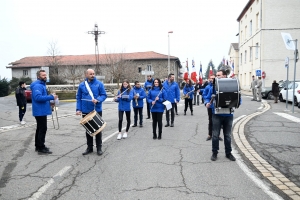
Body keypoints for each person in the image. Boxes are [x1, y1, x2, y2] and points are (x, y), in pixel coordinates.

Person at [205, 69, 241, 162]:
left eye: (219, 75)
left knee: (228, 135)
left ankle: (228, 153)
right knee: (215, 134)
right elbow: (207, 97)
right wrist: (206, 103)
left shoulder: (232, 85)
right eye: (216, 75)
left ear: (224, 76)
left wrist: (237, 103)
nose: (217, 77)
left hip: (228, 114)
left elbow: (238, 96)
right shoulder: (213, 86)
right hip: (216, 114)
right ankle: (214, 153)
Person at [76, 69, 107, 156]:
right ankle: (89, 148)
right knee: (88, 130)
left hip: (96, 110)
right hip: (85, 110)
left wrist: (98, 100)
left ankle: (99, 148)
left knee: (98, 130)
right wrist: (78, 109)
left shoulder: (99, 84)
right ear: (86, 74)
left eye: (93, 74)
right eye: (90, 74)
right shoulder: (81, 85)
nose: (92, 75)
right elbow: (78, 98)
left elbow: (104, 95)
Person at [30, 70, 58, 154]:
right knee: (42, 129)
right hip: (40, 111)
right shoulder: (38, 86)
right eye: (43, 75)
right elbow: (38, 98)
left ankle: (38, 146)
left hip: (41, 110)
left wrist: (50, 102)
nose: (45, 76)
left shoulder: (41, 85)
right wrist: (51, 97)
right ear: (38, 76)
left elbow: (43, 97)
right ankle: (41, 147)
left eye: (45, 75)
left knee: (39, 129)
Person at [202, 75, 222, 142]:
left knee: (218, 121)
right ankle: (210, 134)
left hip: (217, 106)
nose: (212, 79)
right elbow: (204, 95)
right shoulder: (208, 87)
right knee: (211, 120)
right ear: (209, 79)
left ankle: (218, 134)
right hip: (210, 106)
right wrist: (207, 102)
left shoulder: (218, 86)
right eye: (211, 78)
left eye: (213, 78)